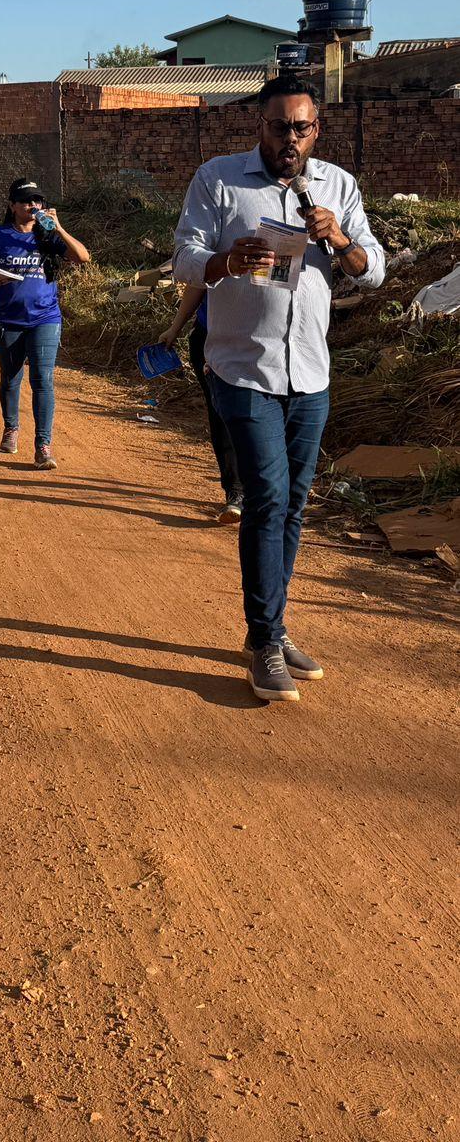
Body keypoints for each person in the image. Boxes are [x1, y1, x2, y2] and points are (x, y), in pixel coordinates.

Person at [173, 74, 384, 702]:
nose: (289, 138)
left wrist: (338, 239)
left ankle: (273, 625)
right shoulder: (218, 180)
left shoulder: (338, 187)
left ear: (316, 128)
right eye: (277, 126)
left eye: (301, 127)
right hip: (242, 367)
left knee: (292, 503)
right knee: (267, 495)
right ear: (257, 126)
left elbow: (373, 272)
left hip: (311, 374)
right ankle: (264, 639)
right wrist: (224, 262)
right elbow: (183, 256)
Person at [0, 178, 90, 470]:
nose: (32, 206)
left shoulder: (48, 237)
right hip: (7, 319)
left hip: (45, 318)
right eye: (26, 201)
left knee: (43, 380)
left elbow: (82, 257)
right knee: (11, 377)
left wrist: (58, 228)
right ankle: (11, 427)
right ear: (12, 205)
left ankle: (43, 446)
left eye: (37, 201)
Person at [158, 285, 243, 523]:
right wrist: (175, 328)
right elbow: (199, 281)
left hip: (264, 343)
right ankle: (235, 491)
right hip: (211, 338)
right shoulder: (218, 246)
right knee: (222, 413)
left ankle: (266, 491)